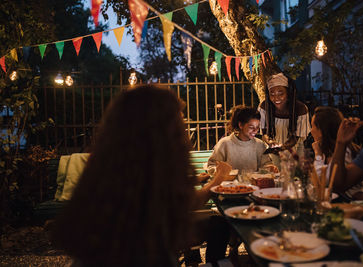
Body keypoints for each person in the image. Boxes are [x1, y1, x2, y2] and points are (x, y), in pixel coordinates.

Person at [52, 85, 232, 266]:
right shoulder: (135, 238)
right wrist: (217, 179)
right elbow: (180, 205)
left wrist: (196, 179)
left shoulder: (123, 164)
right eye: (179, 125)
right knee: (221, 236)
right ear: (158, 133)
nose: (184, 133)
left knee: (218, 227)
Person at [310, 106, 363, 197]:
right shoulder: (329, 150)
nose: (310, 131)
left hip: (352, 203)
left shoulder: (344, 152)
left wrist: (318, 154)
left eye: (312, 126)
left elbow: (323, 181)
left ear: (322, 130)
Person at [207, 105, 269, 172]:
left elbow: (266, 165)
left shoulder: (260, 145)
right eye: (251, 127)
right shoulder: (225, 143)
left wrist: (270, 168)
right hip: (228, 182)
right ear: (241, 125)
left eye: (257, 127)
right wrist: (219, 171)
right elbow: (211, 165)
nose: (255, 131)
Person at [258, 73, 311, 150]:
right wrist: (269, 141)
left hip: (295, 151)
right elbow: (263, 132)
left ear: (288, 93)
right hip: (272, 150)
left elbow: (299, 136)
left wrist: (283, 147)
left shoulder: (300, 109)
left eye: (280, 93)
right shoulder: (264, 107)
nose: (276, 98)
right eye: (272, 94)